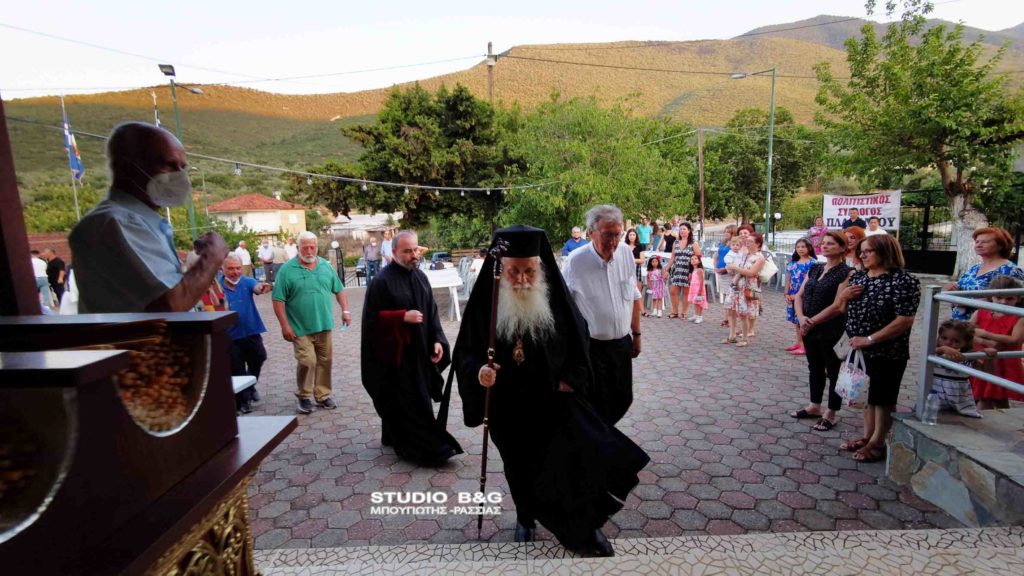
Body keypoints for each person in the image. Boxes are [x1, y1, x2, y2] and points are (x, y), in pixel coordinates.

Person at [454, 224, 649, 557]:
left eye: (530, 271)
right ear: (501, 269)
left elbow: (580, 339)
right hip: (507, 405)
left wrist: (570, 379)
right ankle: (525, 515)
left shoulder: (554, 297)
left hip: (551, 400)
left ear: (540, 267)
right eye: (514, 271)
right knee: (517, 464)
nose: (523, 279)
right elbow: (467, 353)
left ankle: (580, 524)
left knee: (569, 459)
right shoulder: (487, 302)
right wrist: (479, 372)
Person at [69, 122, 228, 313]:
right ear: (127, 166)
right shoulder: (116, 223)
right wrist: (213, 255)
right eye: (169, 165)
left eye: (182, 168)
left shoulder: (145, 222)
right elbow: (172, 304)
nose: (179, 176)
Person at [360, 230, 463, 466]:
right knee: (405, 403)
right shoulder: (381, 282)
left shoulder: (421, 277)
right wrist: (401, 317)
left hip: (420, 354)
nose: (413, 255)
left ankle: (394, 434)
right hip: (396, 360)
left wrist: (437, 339)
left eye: (416, 249)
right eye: (407, 251)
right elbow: (372, 321)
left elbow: (432, 314)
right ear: (394, 252)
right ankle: (424, 449)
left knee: (419, 400)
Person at [823, 234, 920, 462]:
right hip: (858, 347)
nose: (862, 255)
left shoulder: (903, 280)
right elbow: (844, 309)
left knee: (882, 398)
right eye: (861, 251)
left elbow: (904, 319)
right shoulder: (861, 277)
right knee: (867, 396)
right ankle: (867, 436)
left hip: (886, 349)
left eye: (868, 251)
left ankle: (878, 442)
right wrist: (845, 296)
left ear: (885, 252)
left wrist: (871, 339)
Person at [563, 205, 642, 425]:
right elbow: (564, 309)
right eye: (608, 235)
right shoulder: (575, 262)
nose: (613, 242)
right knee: (595, 403)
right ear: (591, 233)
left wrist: (636, 335)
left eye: (618, 234)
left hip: (621, 345)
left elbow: (634, 296)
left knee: (623, 398)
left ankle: (602, 441)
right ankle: (599, 449)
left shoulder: (625, 253)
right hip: (592, 348)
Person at [272, 231, 351, 414]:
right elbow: (278, 300)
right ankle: (304, 396)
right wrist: (285, 325)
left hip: (324, 324)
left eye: (312, 247)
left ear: (316, 247)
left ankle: (322, 396)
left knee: (325, 360)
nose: (309, 250)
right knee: (308, 361)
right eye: (305, 247)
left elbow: (339, 289)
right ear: (298, 248)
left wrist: (345, 310)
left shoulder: (325, 266)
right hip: (299, 327)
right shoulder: (287, 270)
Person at [792, 231, 853, 432]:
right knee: (815, 366)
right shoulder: (816, 268)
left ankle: (831, 411)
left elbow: (839, 305)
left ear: (843, 248)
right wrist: (801, 319)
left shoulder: (847, 272)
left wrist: (812, 321)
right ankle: (814, 405)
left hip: (831, 328)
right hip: (808, 325)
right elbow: (799, 295)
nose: (825, 246)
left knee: (834, 370)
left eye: (831, 244)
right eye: (824, 243)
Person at [220, 253, 272, 414]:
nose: (235, 272)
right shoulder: (217, 286)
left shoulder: (247, 281)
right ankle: (242, 402)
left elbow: (256, 287)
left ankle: (249, 387)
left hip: (251, 331)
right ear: (223, 269)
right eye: (231, 269)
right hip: (230, 335)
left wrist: (262, 288)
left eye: (238, 268)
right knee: (237, 368)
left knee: (259, 356)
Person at [969, 275, 1024, 409]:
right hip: (984, 360)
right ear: (991, 297)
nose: (1003, 302)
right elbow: (967, 332)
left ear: (1018, 298)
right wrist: (985, 341)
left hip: (1005, 363)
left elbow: (1015, 339)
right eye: (999, 298)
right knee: (984, 396)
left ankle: (1000, 426)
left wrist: (987, 334)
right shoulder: (980, 312)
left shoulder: (1019, 316)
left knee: (1001, 398)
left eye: (1009, 298)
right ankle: (982, 425)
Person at [948, 227, 1024, 321]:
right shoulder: (975, 267)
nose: (979, 245)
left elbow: (1011, 300)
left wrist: (963, 302)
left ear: (1000, 246)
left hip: (985, 325)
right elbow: (960, 290)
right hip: (959, 325)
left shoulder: (1009, 270)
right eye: (977, 242)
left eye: (985, 242)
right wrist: (953, 290)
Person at [932, 320, 983, 418]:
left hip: (961, 403)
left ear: (966, 343)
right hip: (935, 401)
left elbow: (984, 371)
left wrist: (988, 355)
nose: (948, 343)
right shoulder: (934, 353)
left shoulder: (967, 357)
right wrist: (941, 349)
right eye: (944, 338)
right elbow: (927, 353)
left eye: (956, 341)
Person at [724, 232, 766, 347]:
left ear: (758, 244)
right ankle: (732, 335)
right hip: (736, 285)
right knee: (731, 310)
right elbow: (734, 266)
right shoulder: (743, 253)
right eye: (747, 240)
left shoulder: (759, 257)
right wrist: (731, 269)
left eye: (750, 241)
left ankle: (745, 338)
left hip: (748, 287)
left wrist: (735, 268)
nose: (747, 242)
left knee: (744, 313)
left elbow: (751, 272)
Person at [785, 238, 816, 355]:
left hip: (804, 295)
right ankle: (799, 342)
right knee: (795, 320)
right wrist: (786, 293)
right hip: (792, 294)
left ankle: (804, 345)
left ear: (809, 248)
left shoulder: (812, 263)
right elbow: (788, 278)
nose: (800, 249)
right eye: (798, 247)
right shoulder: (792, 262)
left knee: (801, 319)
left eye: (803, 247)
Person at [668, 222, 700, 320]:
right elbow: (673, 257)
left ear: (689, 231)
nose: (682, 231)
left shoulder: (693, 243)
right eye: (680, 229)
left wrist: (694, 271)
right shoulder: (676, 242)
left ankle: (684, 312)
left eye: (684, 229)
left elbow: (698, 257)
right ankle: (675, 311)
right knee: (673, 291)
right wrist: (667, 268)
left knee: (686, 292)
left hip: (688, 270)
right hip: (677, 270)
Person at [715, 225, 737, 325]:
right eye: (726, 232)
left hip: (728, 272)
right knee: (725, 294)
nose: (726, 234)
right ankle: (726, 317)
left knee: (730, 295)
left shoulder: (734, 244)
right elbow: (717, 255)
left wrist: (725, 268)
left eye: (728, 232)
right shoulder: (723, 243)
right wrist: (715, 266)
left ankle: (729, 318)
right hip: (720, 271)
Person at [686, 254, 707, 324]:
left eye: (695, 259)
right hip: (694, 289)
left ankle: (699, 316)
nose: (693, 260)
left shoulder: (699, 270)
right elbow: (692, 280)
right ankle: (695, 315)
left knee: (699, 303)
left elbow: (701, 281)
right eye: (692, 259)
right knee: (695, 302)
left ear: (699, 261)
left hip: (699, 289)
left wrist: (700, 291)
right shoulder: (693, 270)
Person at [625, 229, 643, 293]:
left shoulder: (640, 246)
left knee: (637, 291)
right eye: (630, 235)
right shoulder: (624, 246)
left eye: (633, 235)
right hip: (626, 269)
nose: (632, 236)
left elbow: (642, 260)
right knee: (627, 290)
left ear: (636, 236)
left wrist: (630, 260)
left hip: (637, 268)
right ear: (627, 236)